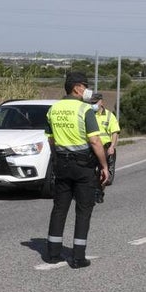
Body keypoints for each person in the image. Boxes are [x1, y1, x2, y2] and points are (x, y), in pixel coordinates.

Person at [44, 72, 110, 268]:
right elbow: (95, 141)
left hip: (61, 164)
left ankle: (53, 253)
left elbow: (51, 140)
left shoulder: (53, 109)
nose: (87, 89)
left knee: (59, 208)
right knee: (83, 210)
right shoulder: (85, 110)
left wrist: (57, 158)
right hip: (83, 166)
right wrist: (104, 166)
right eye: (85, 85)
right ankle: (78, 257)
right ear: (76, 88)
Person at [90, 92, 120, 203]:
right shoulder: (89, 115)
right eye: (91, 103)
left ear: (101, 102)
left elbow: (115, 132)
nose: (93, 105)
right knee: (91, 172)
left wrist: (112, 146)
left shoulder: (109, 115)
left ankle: (99, 192)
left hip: (106, 148)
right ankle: (92, 192)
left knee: (104, 173)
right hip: (91, 147)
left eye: (95, 102)